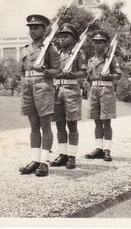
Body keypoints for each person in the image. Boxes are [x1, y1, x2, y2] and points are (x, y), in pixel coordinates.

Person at [18, 14, 60, 177]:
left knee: (45, 125)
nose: (33, 30)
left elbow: (56, 71)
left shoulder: (50, 48)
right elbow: (22, 71)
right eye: (31, 28)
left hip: (43, 85)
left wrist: (44, 71)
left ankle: (44, 162)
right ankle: (35, 160)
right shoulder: (25, 48)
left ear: (44, 30)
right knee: (34, 125)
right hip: (28, 87)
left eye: (36, 27)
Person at [50, 23, 87, 169]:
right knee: (59, 124)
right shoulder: (56, 54)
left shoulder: (78, 53)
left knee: (72, 124)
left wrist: (71, 74)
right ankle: (63, 154)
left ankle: (72, 156)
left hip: (71, 89)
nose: (62, 39)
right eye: (61, 36)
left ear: (73, 38)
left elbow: (83, 73)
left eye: (66, 36)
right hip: (57, 89)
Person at [85, 31, 121, 162]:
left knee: (106, 120)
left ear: (106, 44)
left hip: (106, 89)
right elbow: (89, 78)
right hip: (94, 90)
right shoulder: (91, 60)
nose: (97, 45)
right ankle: (98, 148)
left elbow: (118, 75)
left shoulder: (110, 59)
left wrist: (109, 76)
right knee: (96, 120)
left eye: (100, 42)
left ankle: (107, 150)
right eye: (95, 42)